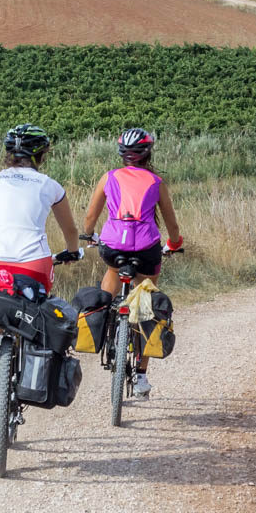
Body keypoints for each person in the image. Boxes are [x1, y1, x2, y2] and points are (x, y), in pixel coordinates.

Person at [0, 124, 84, 422]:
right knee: (31, 317)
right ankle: (25, 379)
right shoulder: (50, 186)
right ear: (42, 155)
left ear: (9, 153)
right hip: (33, 265)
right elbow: (70, 230)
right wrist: (72, 251)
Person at [79, 128, 185, 399]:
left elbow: (91, 216)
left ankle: (103, 325)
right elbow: (171, 224)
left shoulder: (109, 177)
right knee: (145, 304)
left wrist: (90, 236)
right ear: (148, 154)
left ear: (121, 154)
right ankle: (140, 376)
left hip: (113, 245)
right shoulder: (156, 182)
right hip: (148, 248)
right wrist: (173, 244)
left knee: (110, 281)